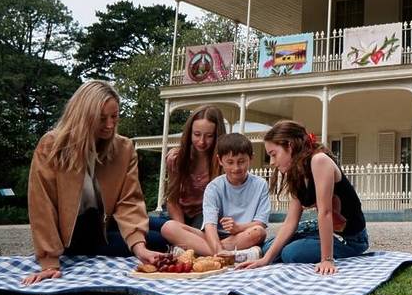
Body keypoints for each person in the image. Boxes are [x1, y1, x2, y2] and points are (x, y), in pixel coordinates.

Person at [22, 80, 166, 285]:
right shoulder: (51, 146)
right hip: (73, 235)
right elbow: (42, 207)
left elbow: (129, 201)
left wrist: (139, 248)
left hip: (105, 225)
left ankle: (218, 240)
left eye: (114, 117)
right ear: (83, 116)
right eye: (101, 119)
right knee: (162, 238)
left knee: (161, 235)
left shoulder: (123, 148)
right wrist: (49, 262)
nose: (109, 125)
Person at [239, 120, 369, 276]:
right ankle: (255, 254)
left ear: (290, 146)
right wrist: (265, 260)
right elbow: (291, 222)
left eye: (273, 155)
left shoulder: (319, 161)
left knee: (290, 253)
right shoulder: (296, 172)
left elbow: (325, 212)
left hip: (350, 238)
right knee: (269, 250)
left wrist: (327, 259)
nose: (272, 163)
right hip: (321, 228)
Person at [160, 133, 269, 256]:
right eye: (230, 162)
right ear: (220, 161)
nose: (236, 167)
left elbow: (260, 223)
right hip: (213, 236)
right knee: (168, 227)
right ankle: (232, 255)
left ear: (251, 158)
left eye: (241, 161)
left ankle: (198, 252)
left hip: (243, 235)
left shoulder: (261, 184)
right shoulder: (214, 187)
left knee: (259, 232)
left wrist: (238, 228)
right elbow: (210, 224)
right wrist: (218, 249)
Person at [151, 106, 226, 231]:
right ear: (189, 132)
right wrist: (183, 231)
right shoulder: (176, 158)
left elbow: (219, 206)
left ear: (217, 136)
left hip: (206, 214)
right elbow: (172, 201)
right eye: (197, 134)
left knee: (202, 234)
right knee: (151, 229)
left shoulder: (222, 161)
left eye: (209, 136)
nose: (202, 141)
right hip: (177, 212)